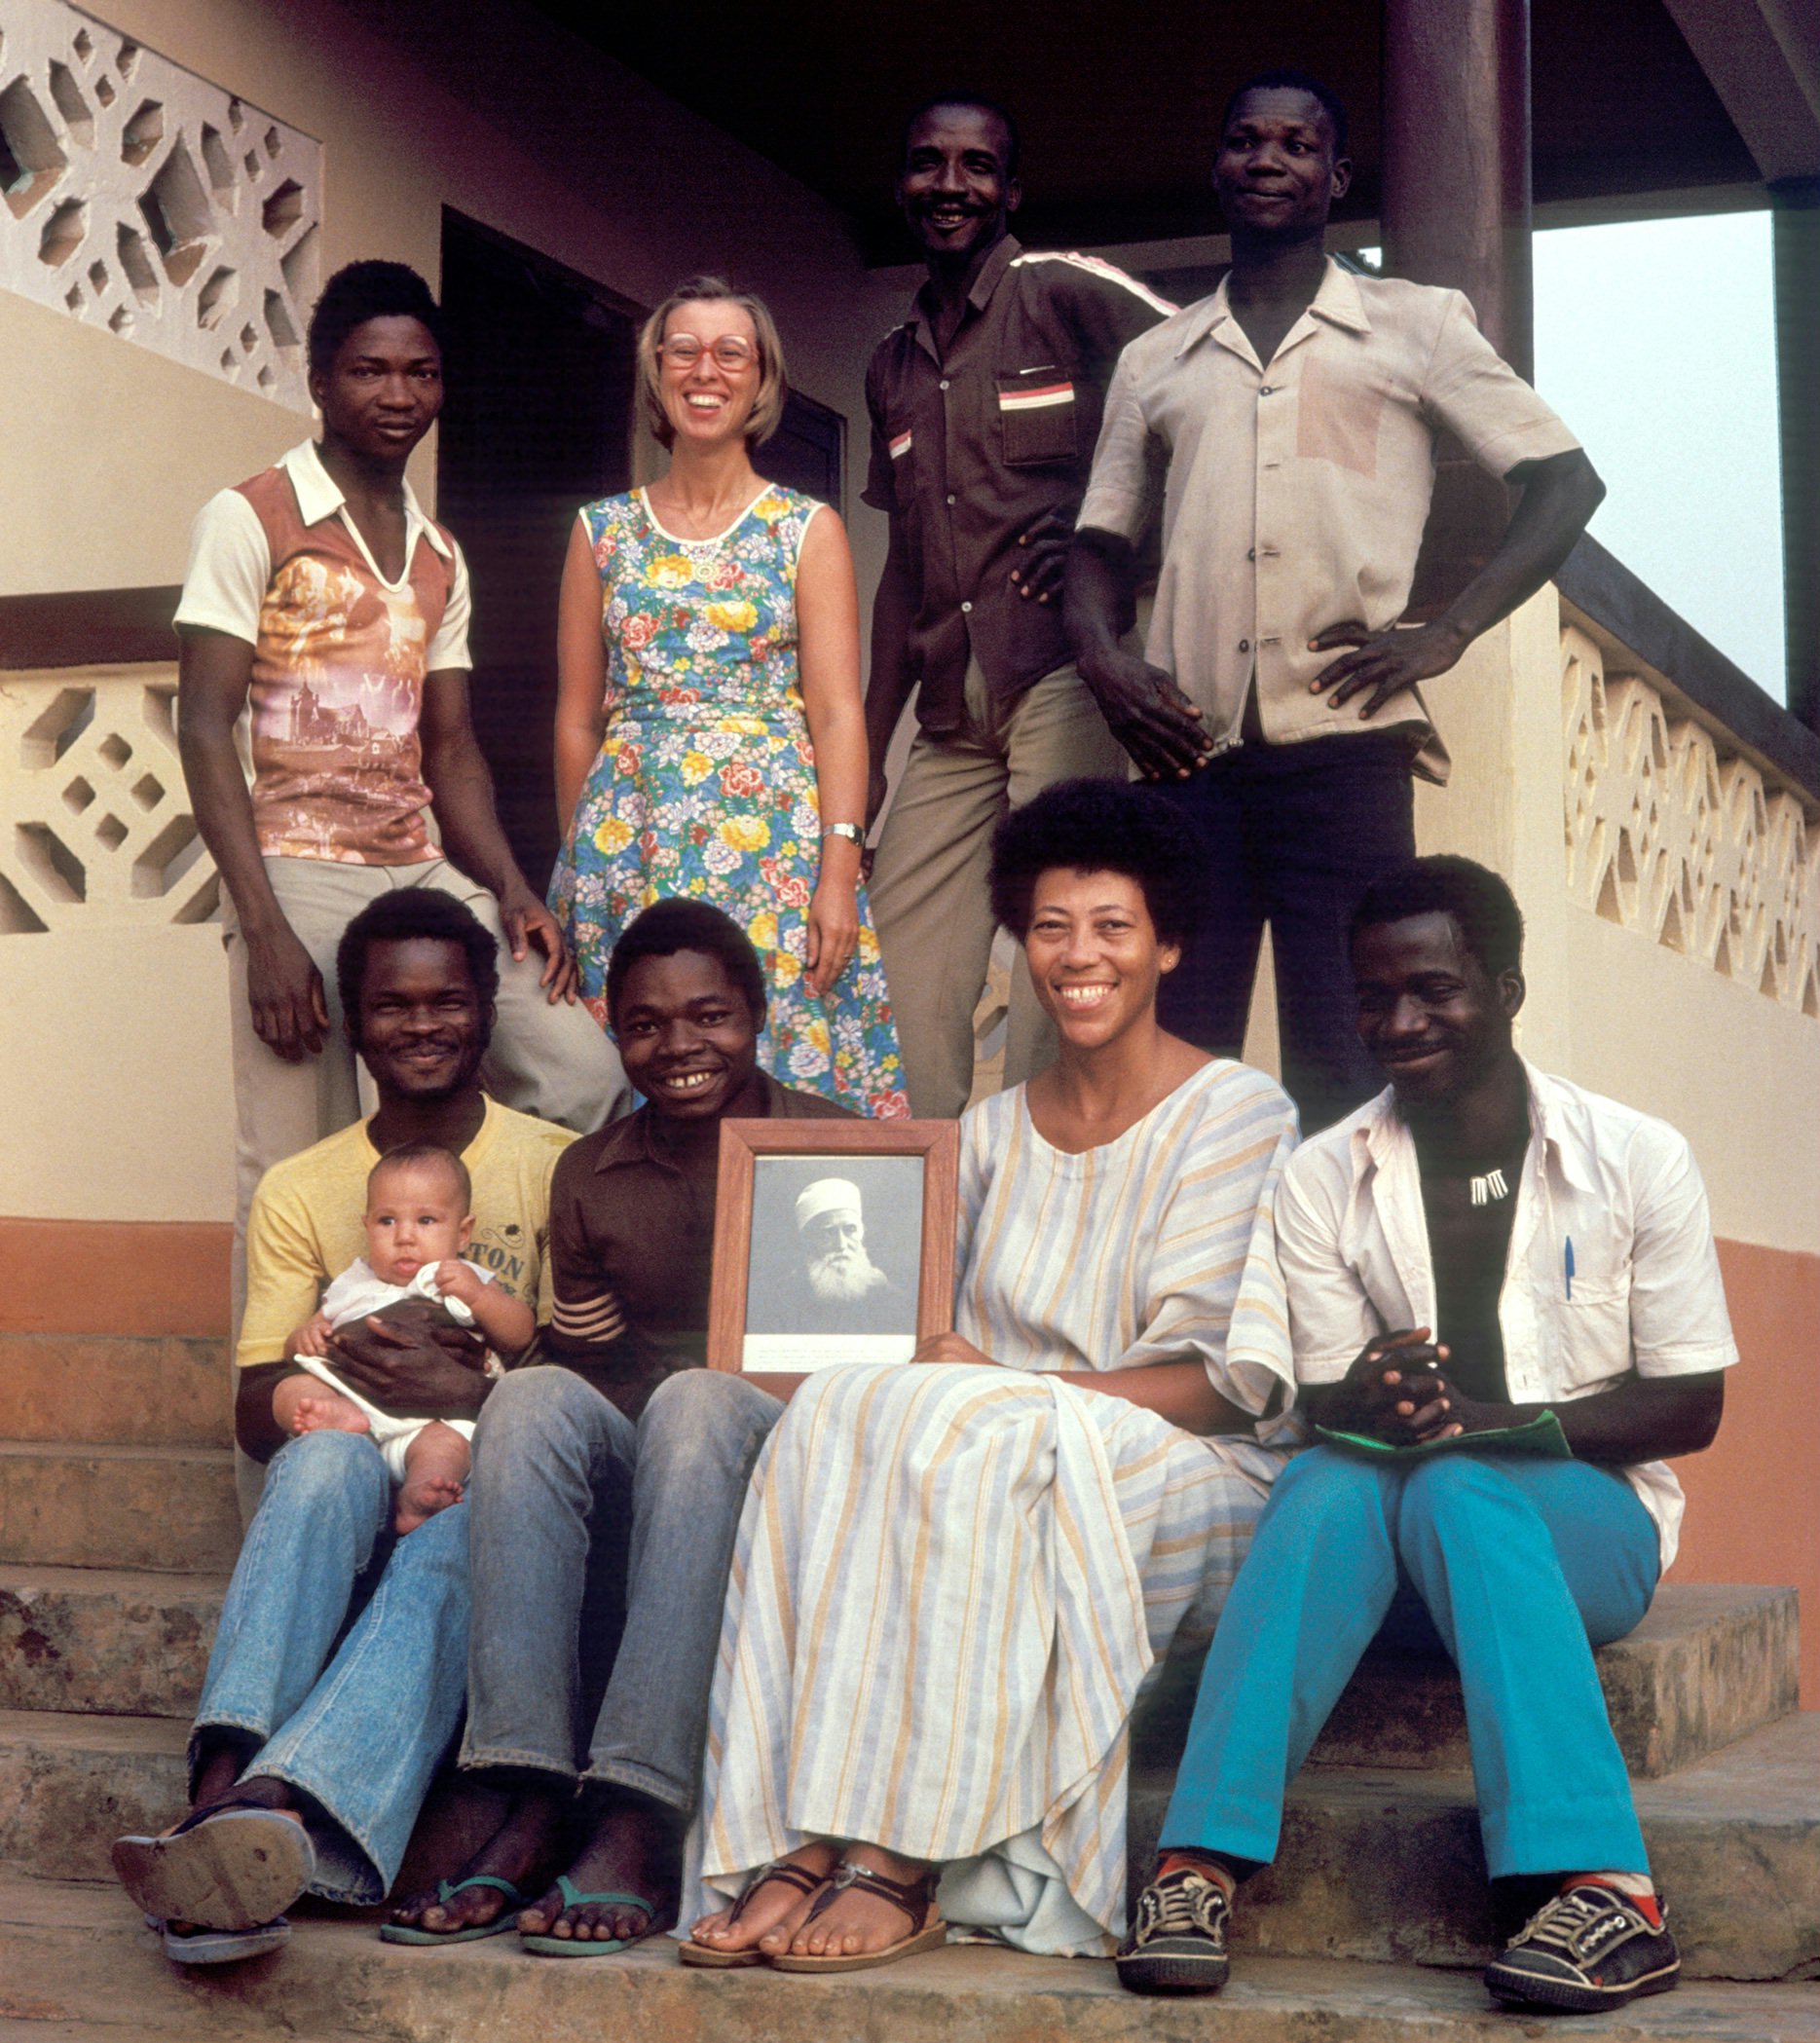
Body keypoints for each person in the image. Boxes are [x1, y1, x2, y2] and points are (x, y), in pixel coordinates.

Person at [680, 778, 1299, 1970]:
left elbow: (1223, 1389)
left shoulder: (1237, 1115)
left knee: (971, 1432)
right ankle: (795, 1834)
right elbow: (922, 1350)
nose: (1079, 956)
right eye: (1051, 927)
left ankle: (901, 1857)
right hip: (993, 1454)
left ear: (1168, 945)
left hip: (1193, 1481)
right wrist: (972, 1394)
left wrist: (1015, 1396)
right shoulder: (988, 1130)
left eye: (1113, 927)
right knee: (838, 1408)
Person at [1118, 856, 1732, 2009]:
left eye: (1434, 990)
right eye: (1374, 997)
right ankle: (1193, 1869)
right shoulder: (1323, 1175)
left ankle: (1609, 1893)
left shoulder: (1634, 1158)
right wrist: (1357, 1399)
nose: (1399, 1023)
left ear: (1506, 990)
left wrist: (1496, 1426)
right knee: (1322, 1483)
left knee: (1461, 1485)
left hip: (1582, 1534)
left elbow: (1690, 1404)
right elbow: (1316, 1396)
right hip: (1382, 1554)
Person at [1069, 71, 1605, 1134]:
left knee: (1351, 1054)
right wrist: (1105, 662)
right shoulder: (1156, 358)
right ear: (1218, 166)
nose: (1268, 161)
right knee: (1177, 1059)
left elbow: (1564, 482)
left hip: (1346, 750)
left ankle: (1354, 1249)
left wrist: (1446, 635)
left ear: (1336, 176)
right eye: (1246, 141)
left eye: (1297, 145)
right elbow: (1098, 541)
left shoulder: (1415, 325)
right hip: (1186, 758)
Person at [110, 889, 572, 1966]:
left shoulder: (557, 1163)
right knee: (320, 1459)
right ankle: (225, 1783)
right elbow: (254, 1400)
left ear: (486, 1009)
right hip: (356, 1468)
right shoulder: (302, 1187)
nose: (422, 1024)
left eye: (446, 1001)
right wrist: (314, 1403)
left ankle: (270, 1812)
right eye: (392, 1005)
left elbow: (578, 1373)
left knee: (464, 1516)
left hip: (489, 1475)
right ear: (354, 1023)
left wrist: (468, 1397)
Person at [175, 260, 625, 1360]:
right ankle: (281, 1431)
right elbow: (203, 727)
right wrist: (265, 930)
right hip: (291, 866)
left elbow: (452, 746)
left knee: (581, 1071)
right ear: (321, 382)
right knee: (296, 1160)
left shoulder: (438, 553)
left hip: (419, 867)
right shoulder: (252, 516)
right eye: (368, 370)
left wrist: (511, 888)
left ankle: (481, 1351)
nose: (397, 394)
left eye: (420, 372)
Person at [381, 899, 849, 1951]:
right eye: (644, 1024)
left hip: (801, 1443)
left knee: (697, 1398)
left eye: (710, 1016)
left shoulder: (841, 1145)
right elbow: (591, 1362)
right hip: (665, 1442)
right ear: (614, 1032)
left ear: (758, 1015)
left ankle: (639, 1805)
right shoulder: (591, 1173)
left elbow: (880, 1352)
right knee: (533, 1395)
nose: (679, 1046)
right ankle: (527, 1783)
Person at [861, 96, 1176, 1117]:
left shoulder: (1062, 291)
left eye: (976, 166)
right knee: (894, 971)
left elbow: (1212, 383)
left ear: (1012, 190)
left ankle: (1058, 1174)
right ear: (902, 185)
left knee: (1065, 948)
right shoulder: (891, 363)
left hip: (1062, 677)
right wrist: (865, 750)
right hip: (950, 711)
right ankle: (928, 1186)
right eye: (928, 163)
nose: (949, 185)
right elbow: (903, 566)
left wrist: (1106, 535)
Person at [547, 277, 905, 1119]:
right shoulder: (601, 530)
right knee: (638, 1061)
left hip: (771, 850)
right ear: (656, 372)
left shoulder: (805, 528)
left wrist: (838, 871)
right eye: (683, 351)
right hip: (628, 844)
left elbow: (836, 715)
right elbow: (575, 717)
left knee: (781, 1057)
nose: (704, 371)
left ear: (760, 379)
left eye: (730, 353)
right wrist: (582, 866)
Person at [272, 1143, 536, 1534]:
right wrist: (304, 1336)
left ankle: (419, 1495)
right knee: (289, 1390)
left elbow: (519, 1334)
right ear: (367, 1227)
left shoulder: (464, 1280)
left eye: (426, 1220)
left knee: (449, 1446)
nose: (405, 1237)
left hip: (431, 1419)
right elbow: (299, 1342)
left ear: (463, 1232)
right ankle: (339, 1416)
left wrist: (480, 1297)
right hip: (355, 1412)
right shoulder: (354, 1282)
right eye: (387, 1221)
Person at [790, 1176, 901, 1330]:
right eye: (828, 1232)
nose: (841, 1245)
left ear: (862, 1232)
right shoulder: (787, 1295)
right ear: (809, 1240)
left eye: (850, 1230)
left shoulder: (886, 1294)